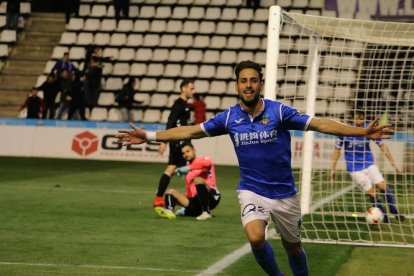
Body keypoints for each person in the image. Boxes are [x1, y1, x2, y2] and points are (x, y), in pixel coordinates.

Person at [116, 60, 394, 276]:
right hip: (252, 191)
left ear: (260, 84)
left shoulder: (279, 112)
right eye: (242, 81)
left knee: (293, 247)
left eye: (252, 81)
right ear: (236, 86)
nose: (247, 85)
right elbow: (191, 130)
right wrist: (149, 136)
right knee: (255, 236)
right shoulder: (229, 118)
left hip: (284, 194)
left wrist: (360, 132)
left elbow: (319, 123)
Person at [330, 111, 404, 223]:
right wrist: (332, 168)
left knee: (383, 186)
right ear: (352, 119)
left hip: (369, 164)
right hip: (355, 168)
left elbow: (382, 146)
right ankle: (383, 215)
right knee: (372, 193)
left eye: (362, 118)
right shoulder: (345, 130)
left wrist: (393, 163)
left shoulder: (369, 128)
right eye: (357, 118)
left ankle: (394, 210)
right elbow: (337, 150)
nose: (360, 120)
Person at [152, 79, 196, 207]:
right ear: (183, 89)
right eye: (191, 88)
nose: (194, 91)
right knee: (194, 167)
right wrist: (164, 141)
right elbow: (171, 121)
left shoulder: (184, 104)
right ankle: (195, 199)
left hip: (179, 140)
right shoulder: (179, 104)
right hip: (180, 141)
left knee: (171, 167)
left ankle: (159, 197)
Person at [155, 142, 221, 221]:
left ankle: (206, 212)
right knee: (170, 192)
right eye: (183, 153)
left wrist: (189, 168)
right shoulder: (186, 169)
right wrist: (185, 206)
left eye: (188, 151)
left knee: (198, 179)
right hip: (196, 202)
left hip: (212, 197)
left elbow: (208, 163)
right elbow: (190, 191)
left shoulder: (204, 160)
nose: (185, 154)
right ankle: (169, 211)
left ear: (194, 151)